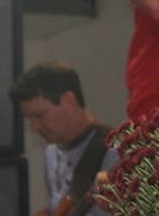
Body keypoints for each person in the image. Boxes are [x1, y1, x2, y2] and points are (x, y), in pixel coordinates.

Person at [9, 62, 117, 216]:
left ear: (68, 100)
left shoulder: (116, 151)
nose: (34, 127)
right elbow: (58, 207)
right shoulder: (51, 153)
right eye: (30, 118)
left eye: (39, 115)